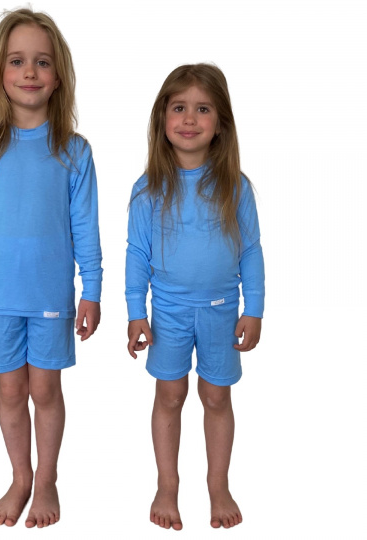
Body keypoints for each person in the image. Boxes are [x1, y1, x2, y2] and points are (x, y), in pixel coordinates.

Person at [0, 8, 102, 529]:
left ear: (58, 76)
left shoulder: (73, 151)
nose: (30, 72)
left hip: (51, 296)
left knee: (45, 391)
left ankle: (47, 479)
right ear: (0, 73)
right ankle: (21, 477)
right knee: (10, 392)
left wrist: (92, 290)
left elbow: (85, 228)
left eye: (42, 62)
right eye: (17, 61)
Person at [126, 64, 264, 530]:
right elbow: (136, 255)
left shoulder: (235, 187)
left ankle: (218, 485)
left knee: (217, 397)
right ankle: (167, 485)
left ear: (221, 122)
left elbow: (251, 251)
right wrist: (135, 312)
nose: (189, 119)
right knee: (169, 394)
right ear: (162, 119)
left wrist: (254, 309)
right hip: (167, 311)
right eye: (179, 108)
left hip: (222, 311)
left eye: (203, 109)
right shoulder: (147, 190)